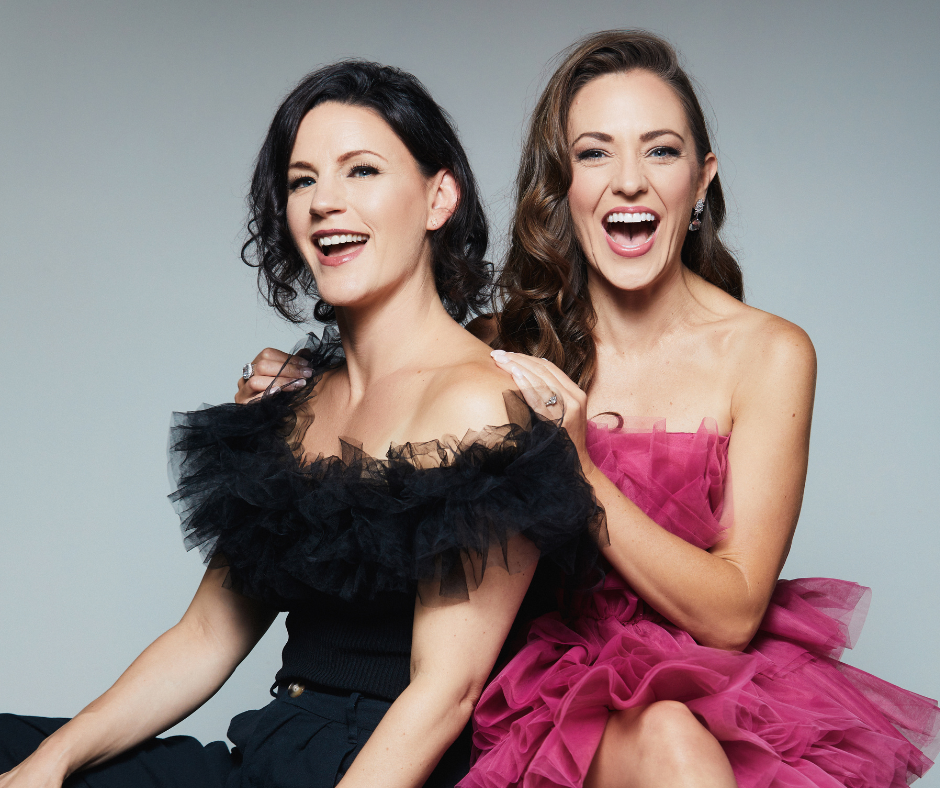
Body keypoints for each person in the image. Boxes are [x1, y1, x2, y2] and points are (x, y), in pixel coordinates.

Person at [236, 32, 940, 788]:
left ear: (701, 181)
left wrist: (578, 470)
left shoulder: (769, 353)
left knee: (672, 736)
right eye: (596, 153)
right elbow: (395, 378)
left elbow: (734, 614)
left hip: (710, 689)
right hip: (531, 686)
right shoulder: (504, 343)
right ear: (562, 183)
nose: (629, 182)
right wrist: (313, 379)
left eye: (662, 152)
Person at [0, 61, 603, 788]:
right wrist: (47, 765)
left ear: (438, 197)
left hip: (386, 763)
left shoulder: (481, 402)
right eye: (303, 180)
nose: (326, 202)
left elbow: (444, 695)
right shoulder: (291, 402)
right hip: (271, 746)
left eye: (363, 171)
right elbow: (204, 637)